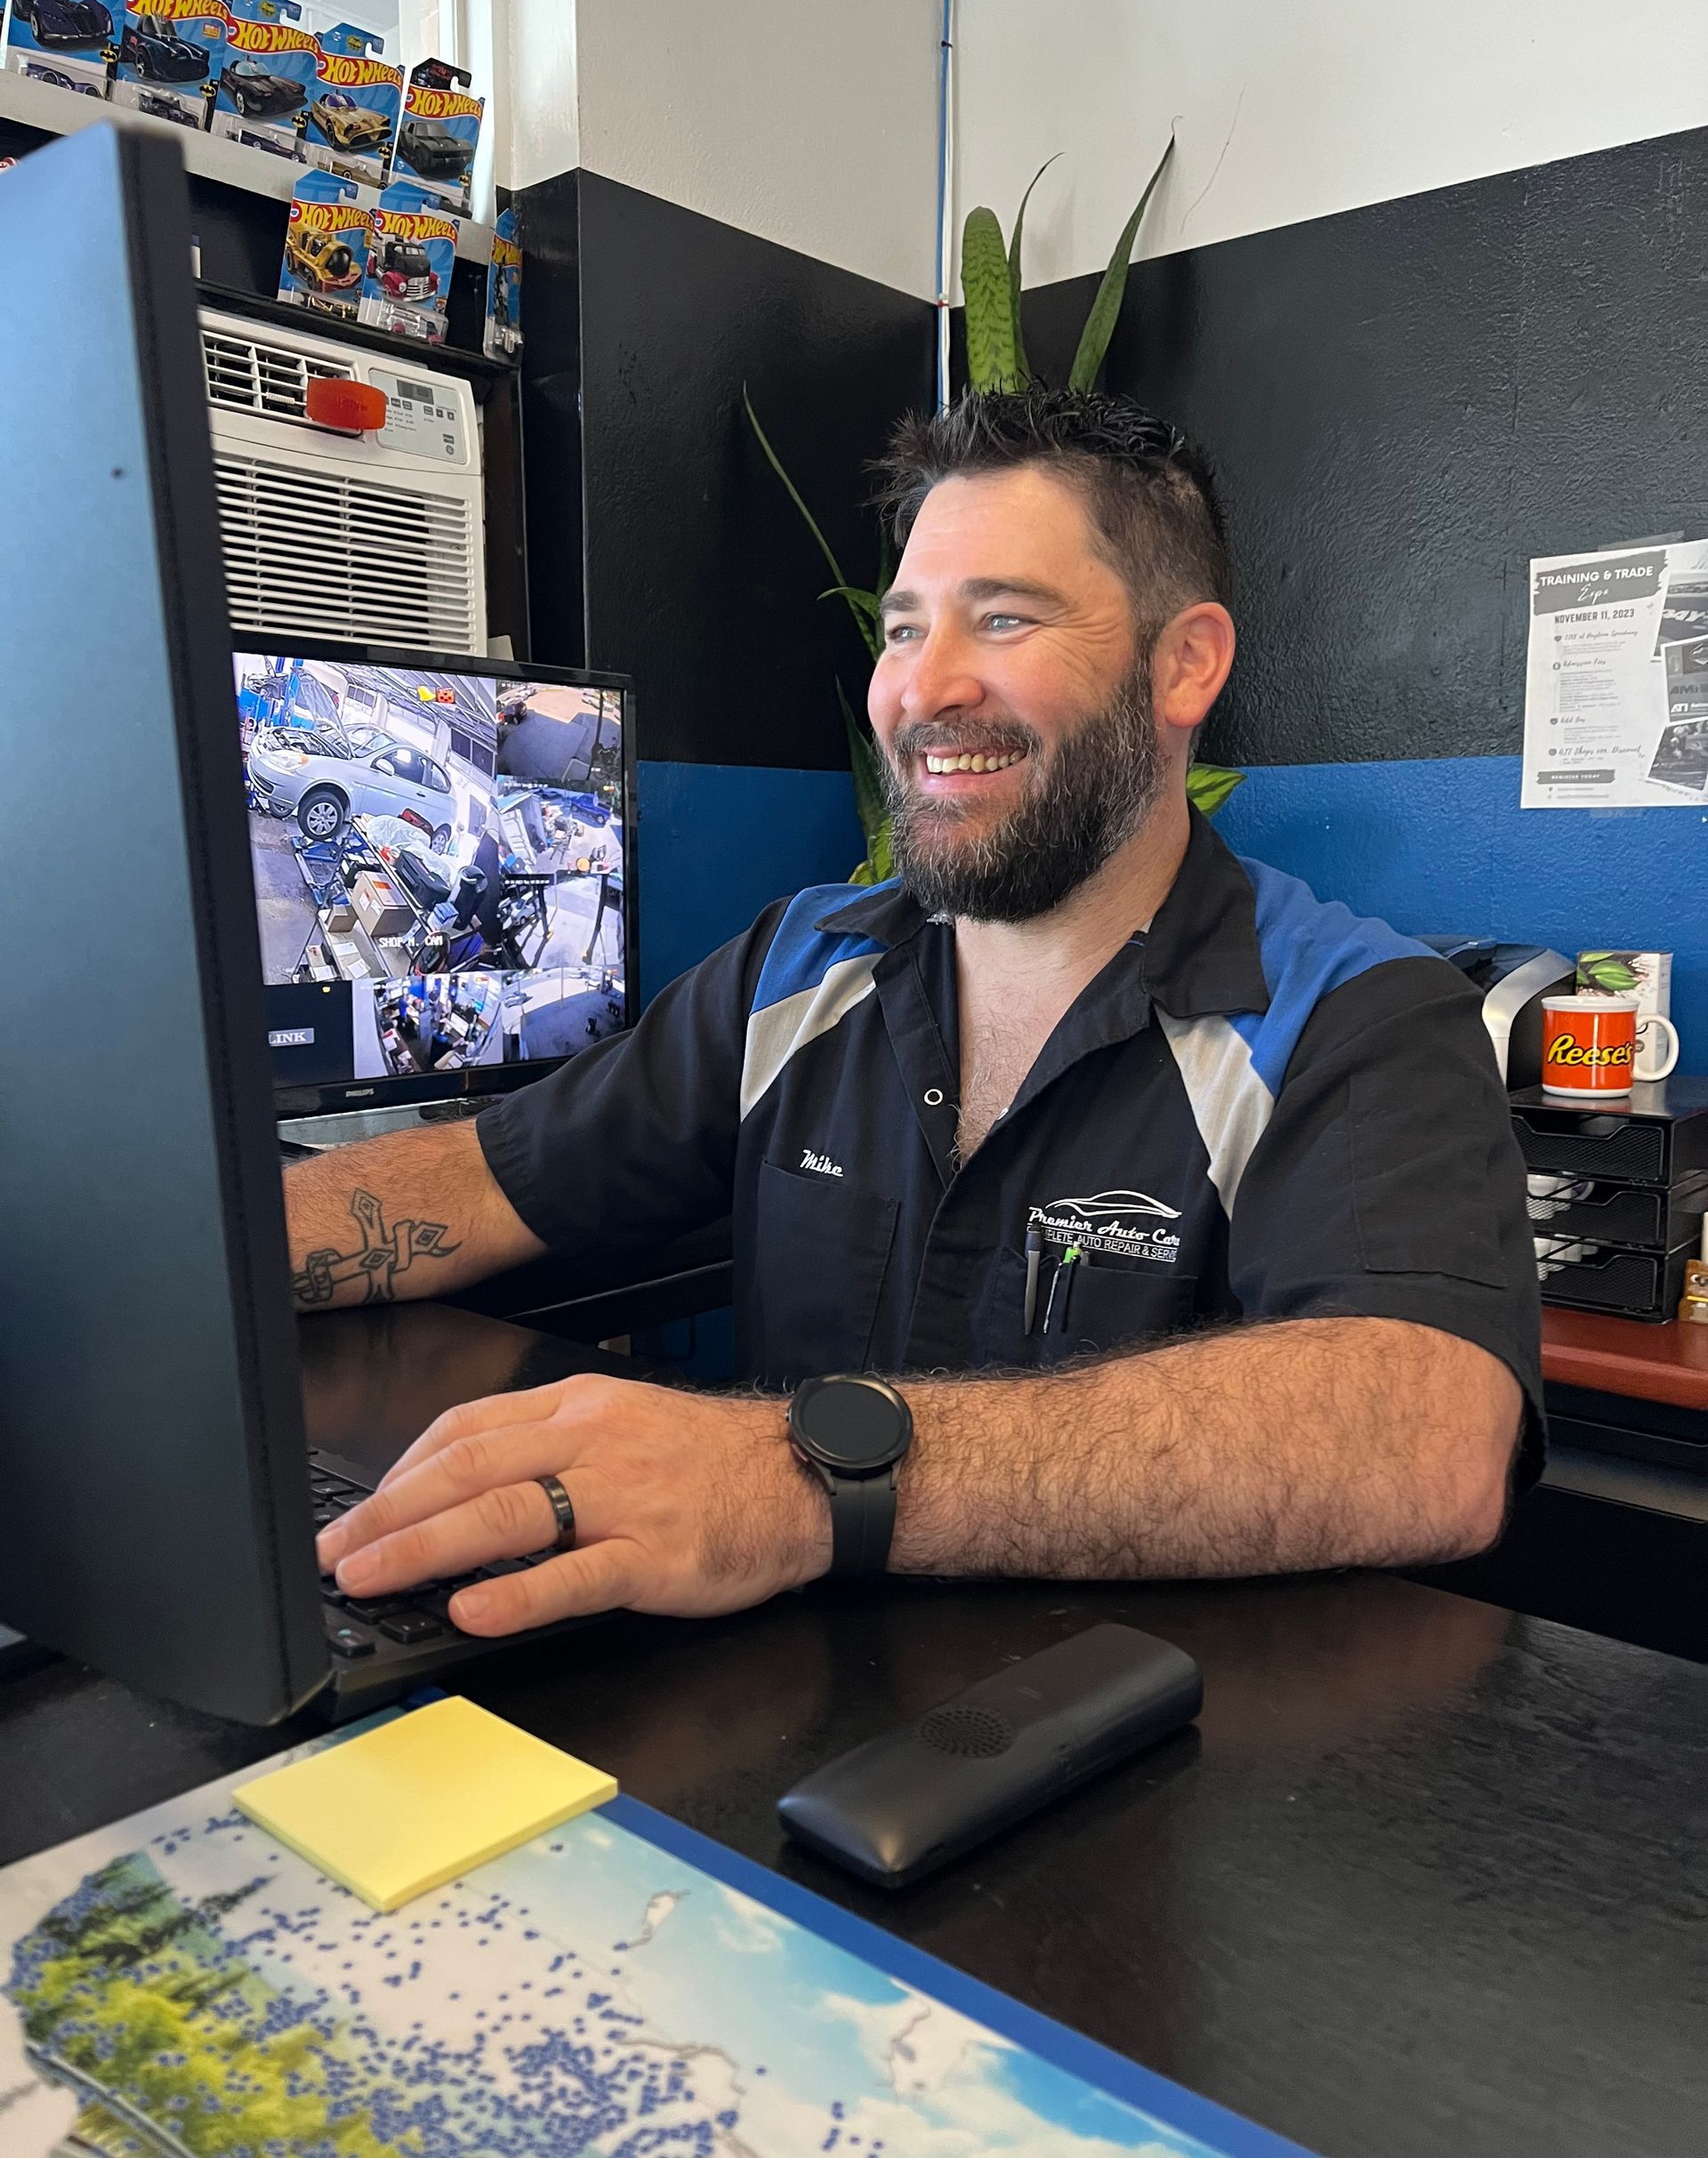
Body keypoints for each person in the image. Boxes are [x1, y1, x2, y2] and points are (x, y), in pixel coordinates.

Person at [300, 388, 1541, 1639]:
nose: (923, 690)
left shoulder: (1360, 1018)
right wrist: (157, 1262)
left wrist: (794, 1478)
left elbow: (1428, 1432)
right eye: (903, 631)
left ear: (1186, 664)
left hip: (1151, 1777)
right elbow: (481, 1182)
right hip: (785, 1743)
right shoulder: (798, 967)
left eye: (1003, 619)